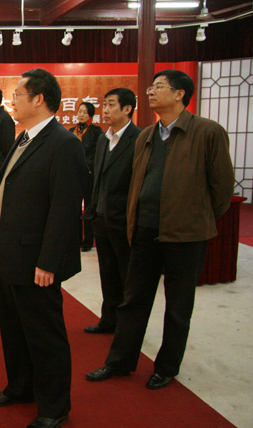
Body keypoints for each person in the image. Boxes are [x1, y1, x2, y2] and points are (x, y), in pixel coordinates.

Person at [86, 70, 234, 390]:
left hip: (185, 236)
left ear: (180, 94)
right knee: (133, 301)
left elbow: (222, 189)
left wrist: (195, 218)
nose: (151, 91)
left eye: (159, 86)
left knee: (177, 307)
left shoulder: (208, 132)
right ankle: (119, 362)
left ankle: (166, 367)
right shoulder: (146, 136)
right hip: (144, 231)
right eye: (151, 86)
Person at [0, 68, 85, 428]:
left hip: (35, 261)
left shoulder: (63, 143)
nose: (12, 101)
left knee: (45, 335)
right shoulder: (24, 137)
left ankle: (55, 408)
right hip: (7, 253)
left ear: (39, 99)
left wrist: (48, 262)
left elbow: (65, 209)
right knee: (14, 328)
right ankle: (20, 386)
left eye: (17, 94)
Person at [82, 88, 141, 334]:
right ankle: (108, 319)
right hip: (101, 218)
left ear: (127, 109)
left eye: (111, 105)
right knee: (107, 274)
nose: (105, 110)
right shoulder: (103, 139)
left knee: (127, 276)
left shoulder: (139, 139)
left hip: (124, 221)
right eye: (104, 104)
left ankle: (126, 327)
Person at [70, 101, 103, 252]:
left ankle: (88, 240)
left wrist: (86, 165)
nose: (81, 114)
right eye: (79, 111)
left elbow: (97, 153)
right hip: (75, 175)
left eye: (84, 112)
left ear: (91, 114)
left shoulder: (96, 131)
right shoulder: (71, 131)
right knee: (74, 208)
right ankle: (75, 239)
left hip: (90, 174)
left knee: (89, 208)